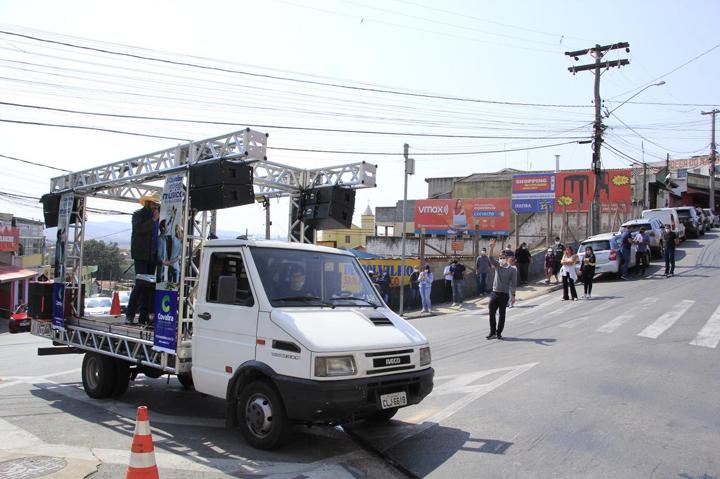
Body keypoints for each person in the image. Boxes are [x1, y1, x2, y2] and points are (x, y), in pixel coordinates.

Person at [126, 194, 160, 326]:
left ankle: (144, 316)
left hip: (152, 255)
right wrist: (153, 220)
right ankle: (130, 314)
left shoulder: (157, 216)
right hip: (141, 255)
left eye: (156, 204)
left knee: (149, 286)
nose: (155, 206)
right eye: (153, 204)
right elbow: (139, 229)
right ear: (147, 204)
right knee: (140, 284)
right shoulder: (138, 215)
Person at [486, 238, 517, 340]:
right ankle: (492, 332)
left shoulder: (512, 270)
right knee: (491, 313)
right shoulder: (497, 266)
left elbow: (513, 284)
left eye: (503, 257)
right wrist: (491, 247)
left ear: (507, 258)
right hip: (494, 293)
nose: (501, 259)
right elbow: (490, 257)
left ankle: (499, 332)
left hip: (504, 295)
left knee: (502, 315)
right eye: (500, 257)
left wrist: (513, 296)